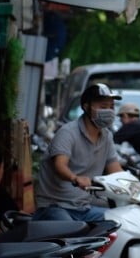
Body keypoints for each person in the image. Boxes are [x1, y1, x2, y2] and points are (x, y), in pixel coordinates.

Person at [33, 83, 124, 221]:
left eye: (111, 107)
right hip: (55, 206)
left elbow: (116, 171)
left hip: (84, 207)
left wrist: (137, 186)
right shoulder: (68, 132)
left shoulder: (106, 136)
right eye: (103, 107)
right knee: (71, 231)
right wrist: (75, 178)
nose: (109, 111)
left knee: (121, 221)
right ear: (86, 107)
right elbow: (60, 165)